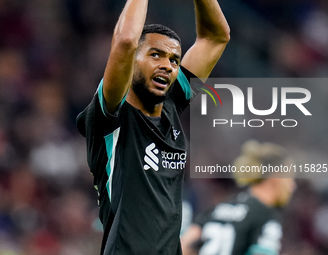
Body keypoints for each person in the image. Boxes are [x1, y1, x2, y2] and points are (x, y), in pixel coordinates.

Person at [76, 0, 230, 253]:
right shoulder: (111, 115)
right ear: (132, 63)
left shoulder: (171, 104)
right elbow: (125, 42)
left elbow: (216, 37)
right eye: (155, 54)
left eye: (174, 60)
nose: (167, 65)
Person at [181, 140, 296, 255]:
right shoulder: (267, 216)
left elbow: (184, 245)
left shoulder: (218, 208)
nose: (293, 186)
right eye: (290, 178)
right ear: (276, 177)